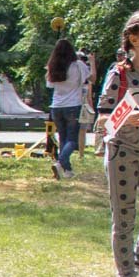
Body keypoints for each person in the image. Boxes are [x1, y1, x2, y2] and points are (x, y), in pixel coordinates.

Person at [94, 6, 139, 277]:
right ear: (134, 39)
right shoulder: (120, 74)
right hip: (123, 153)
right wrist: (125, 118)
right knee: (124, 217)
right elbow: (103, 118)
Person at [45, 38, 94, 179]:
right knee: (72, 139)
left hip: (56, 106)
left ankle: (67, 170)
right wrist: (92, 62)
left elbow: (50, 85)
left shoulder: (53, 66)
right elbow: (92, 78)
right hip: (73, 105)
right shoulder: (78, 65)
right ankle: (60, 162)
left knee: (63, 138)